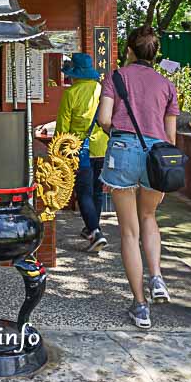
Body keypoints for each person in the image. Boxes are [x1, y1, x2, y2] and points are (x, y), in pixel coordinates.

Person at [96, 26, 180, 329]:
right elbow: (170, 135)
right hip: (158, 155)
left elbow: (105, 119)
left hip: (123, 150)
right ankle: (157, 276)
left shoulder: (116, 77)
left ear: (129, 50)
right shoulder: (167, 85)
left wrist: (116, 133)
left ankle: (140, 306)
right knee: (149, 218)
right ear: (154, 54)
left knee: (129, 231)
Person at [56, 53, 110, 252]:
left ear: (75, 74)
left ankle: (95, 232)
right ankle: (91, 227)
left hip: (80, 149)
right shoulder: (101, 89)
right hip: (102, 148)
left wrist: (59, 154)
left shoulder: (71, 94)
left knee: (83, 192)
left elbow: (63, 128)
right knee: (97, 191)